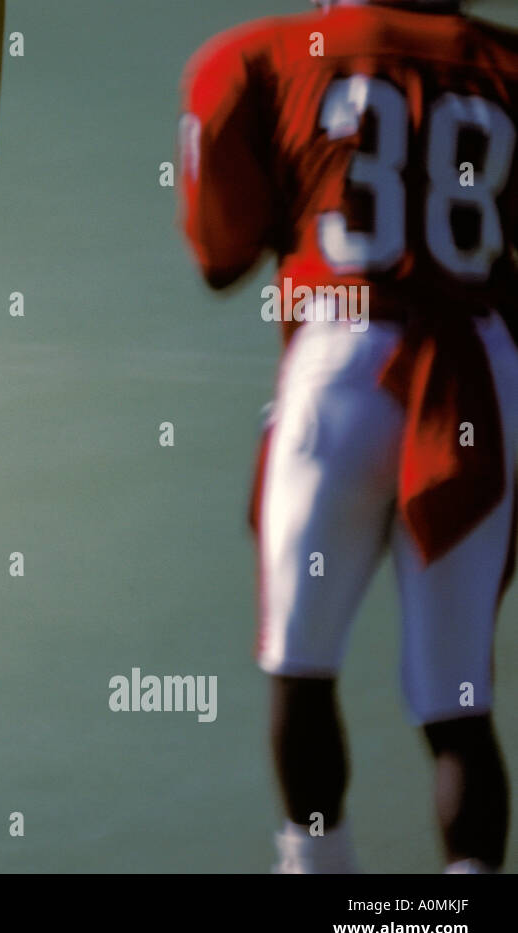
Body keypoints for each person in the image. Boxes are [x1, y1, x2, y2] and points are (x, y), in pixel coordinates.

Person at [178, 0, 518, 872]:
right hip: (477, 371)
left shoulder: (270, 52)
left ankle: (322, 876)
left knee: (300, 660)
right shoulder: (502, 60)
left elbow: (222, 252)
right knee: (458, 698)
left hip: (342, 356)